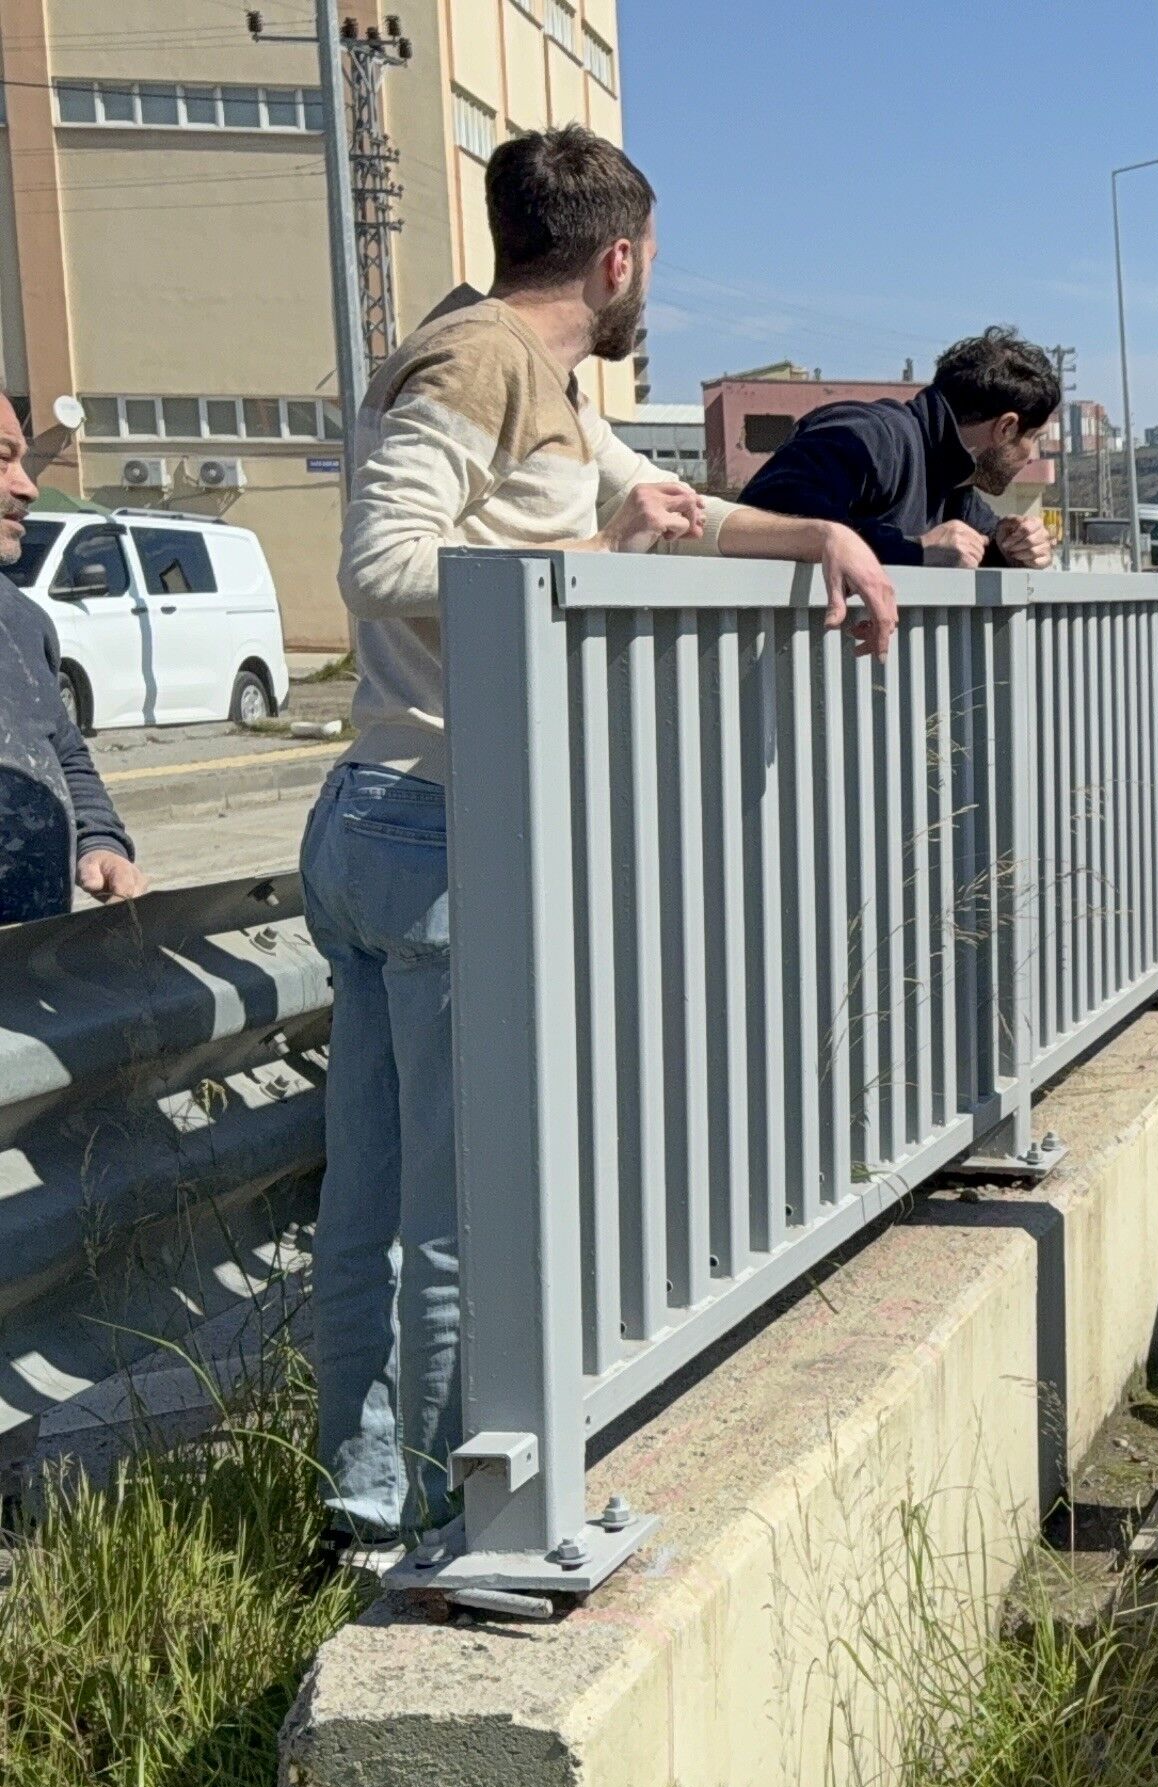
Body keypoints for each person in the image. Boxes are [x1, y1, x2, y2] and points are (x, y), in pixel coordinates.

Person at [311, 125, 897, 1544]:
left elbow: (661, 511)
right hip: (434, 825)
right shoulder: (479, 366)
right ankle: (455, 1512)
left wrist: (816, 541)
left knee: (377, 1196)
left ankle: (366, 1499)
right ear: (619, 257)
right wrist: (604, 558)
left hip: (386, 815)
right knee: (453, 1216)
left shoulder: (536, 381)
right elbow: (385, 565)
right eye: (652, 269)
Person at [0, 396, 149, 925]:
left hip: (31, 956)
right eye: (2, 458)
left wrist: (98, 840)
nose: (27, 487)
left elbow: (60, 747)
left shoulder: (22, 619)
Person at [737, 328, 1062, 569]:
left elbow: (975, 544)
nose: (1031, 456)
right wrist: (914, 550)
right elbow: (759, 520)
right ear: (1005, 428)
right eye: (1034, 437)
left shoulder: (954, 483)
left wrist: (1014, 547)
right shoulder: (870, 436)